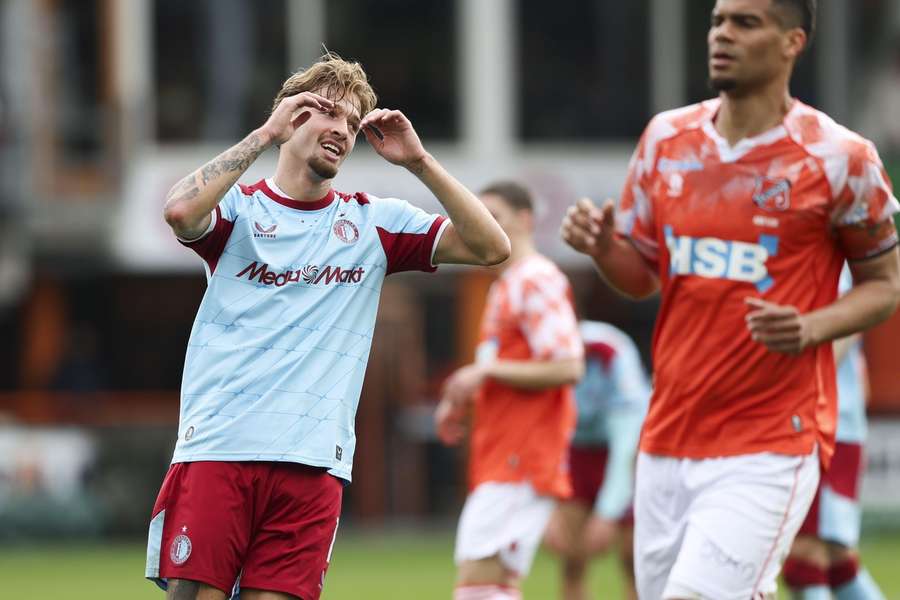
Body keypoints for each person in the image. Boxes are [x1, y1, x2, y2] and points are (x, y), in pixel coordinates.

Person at [560, 0, 900, 598]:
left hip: (772, 438)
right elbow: (643, 276)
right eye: (718, 20)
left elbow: (884, 285)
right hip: (669, 436)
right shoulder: (667, 138)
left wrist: (812, 326)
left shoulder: (841, 158)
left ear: (793, 41)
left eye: (746, 22)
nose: (722, 34)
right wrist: (604, 248)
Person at [144, 52, 510, 600]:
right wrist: (264, 135)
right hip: (221, 448)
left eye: (352, 121)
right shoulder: (239, 210)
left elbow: (492, 246)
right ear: (291, 117)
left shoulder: (373, 222)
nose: (342, 129)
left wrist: (419, 162)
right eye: (327, 112)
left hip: (314, 462)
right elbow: (178, 211)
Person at [435, 181, 584, 600]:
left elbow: (568, 365)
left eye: (494, 217)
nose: (485, 227)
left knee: (480, 581)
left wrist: (481, 374)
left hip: (524, 452)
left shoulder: (535, 279)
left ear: (525, 220)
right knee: (490, 582)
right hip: (506, 450)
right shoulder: (506, 284)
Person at [781, 267, 886, 600]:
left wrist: (802, 381)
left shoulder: (818, 250)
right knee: (837, 561)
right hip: (834, 424)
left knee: (805, 558)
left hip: (823, 424)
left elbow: (849, 323)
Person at [542, 320, 649, 600]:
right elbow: (543, 434)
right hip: (573, 450)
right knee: (572, 556)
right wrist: (547, 505)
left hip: (621, 447)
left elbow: (626, 444)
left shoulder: (612, 352)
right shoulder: (540, 354)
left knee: (635, 560)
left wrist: (607, 514)